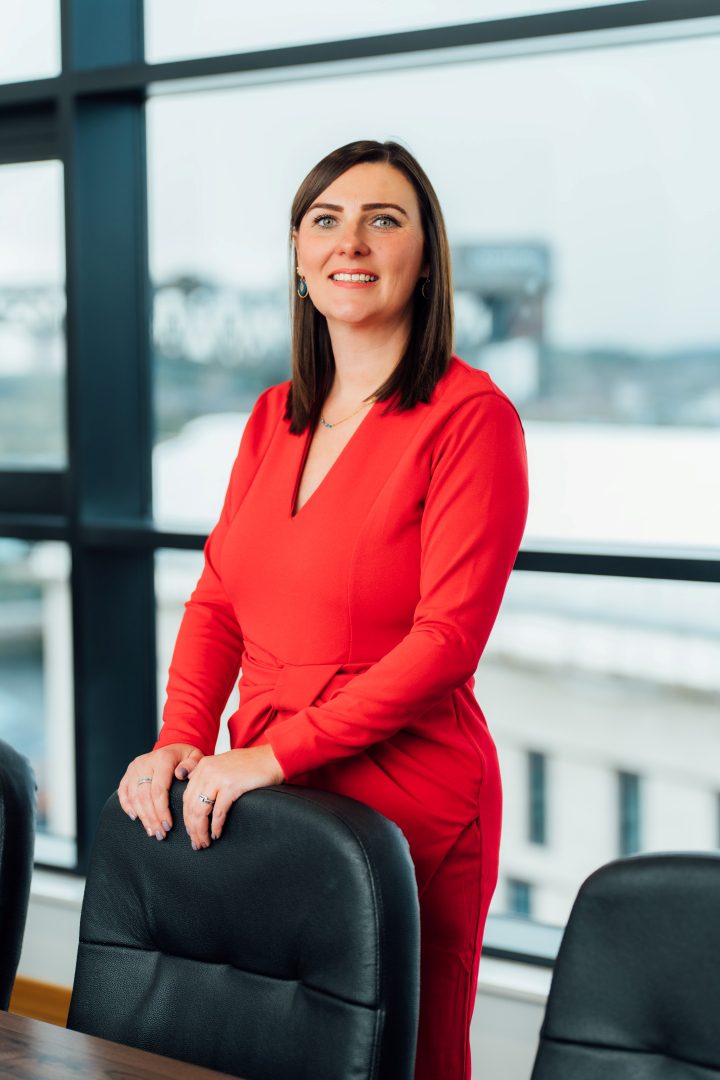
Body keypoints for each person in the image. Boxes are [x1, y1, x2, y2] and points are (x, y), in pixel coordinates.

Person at [118, 138, 529, 1079]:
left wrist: (271, 754)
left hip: (404, 794)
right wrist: (183, 734)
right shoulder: (274, 417)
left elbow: (446, 645)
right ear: (300, 258)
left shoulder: (472, 419)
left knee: (400, 1059)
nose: (353, 242)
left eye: (385, 220)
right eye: (326, 220)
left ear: (426, 256)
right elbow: (220, 598)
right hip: (261, 785)